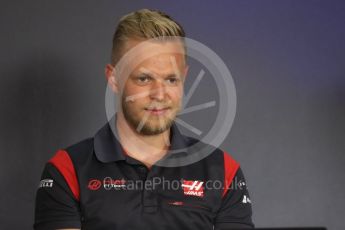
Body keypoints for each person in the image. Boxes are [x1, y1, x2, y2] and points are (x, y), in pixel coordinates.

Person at [34, 9, 254, 230]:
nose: (159, 94)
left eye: (171, 79)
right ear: (114, 79)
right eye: (144, 78)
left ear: (184, 78)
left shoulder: (223, 171)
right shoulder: (67, 169)